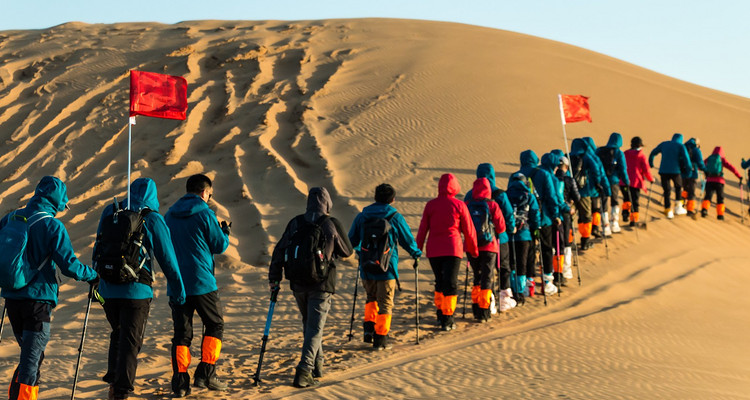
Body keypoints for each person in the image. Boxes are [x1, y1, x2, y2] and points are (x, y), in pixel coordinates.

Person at [0, 176, 99, 400]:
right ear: (57, 201)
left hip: (12, 299)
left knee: (31, 357)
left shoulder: (11, 218)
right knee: (30, 365)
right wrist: (92, 275)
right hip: (38, 302)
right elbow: (69, 266)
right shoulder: (52, 225)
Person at [96, 178, 186, 400]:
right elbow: (168, 260)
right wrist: (179, 290)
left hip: (108, 289)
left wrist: (98, 280)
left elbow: (98, 246)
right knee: (130, 341)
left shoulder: (111, 211)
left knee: (117, 333)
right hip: (137, 291)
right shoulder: (152, 218)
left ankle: (114, 383)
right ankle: (121, 392)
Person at [269, 187, 353, 388]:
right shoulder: (330, 224)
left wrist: (274, 279)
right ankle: (304, 370)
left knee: (310, 325)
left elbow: (279, 250)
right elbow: (347, 251)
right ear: (328, 204)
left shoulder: (296, 222)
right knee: (315, 328)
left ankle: (318, 365)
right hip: (322, 284)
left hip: (298, 283)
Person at [164, 174, 230, 397]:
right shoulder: (205, 213)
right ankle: (206, 372)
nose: (209, 198)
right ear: (204, 192)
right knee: (215, 325)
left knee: (182, 334)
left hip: (177, 284)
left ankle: (181, 384)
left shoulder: (169, 215)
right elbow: (219, 245)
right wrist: (225, 233)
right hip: (202, 282)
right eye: (210, 194)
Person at [348, 183, 421, 349]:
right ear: (392, 199)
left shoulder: (362, 216)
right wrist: (416, 254)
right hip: (387, 268)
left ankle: (368, 331)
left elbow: (351, 240)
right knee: (386, 304)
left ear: (375, 197)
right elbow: (407, 240)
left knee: (371, 298)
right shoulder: (395, 217)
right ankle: (380, 339)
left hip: (366, 266)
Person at [416, 173, 478, 331]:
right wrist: (473, 249)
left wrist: (417, 249)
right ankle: (447, 317)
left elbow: (423, 229)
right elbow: (469, 230)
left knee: (440, 281)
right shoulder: (459, 205)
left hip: (434, 250)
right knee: (450, 283)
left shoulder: (431, 205)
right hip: (452, 248)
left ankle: (440, 312)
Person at [464, 163, 517, 311]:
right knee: (503, 268)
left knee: (481, 273)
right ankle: (504, 300)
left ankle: (488, 301)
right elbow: (507, 214)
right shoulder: (499, 193)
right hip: (499, 239)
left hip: (475, 242)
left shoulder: (470, 195)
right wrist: (510, 229)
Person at [516, 150, 562, 295]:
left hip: (523, 221)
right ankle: (547, 283)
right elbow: (551, 196)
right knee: (546, 249)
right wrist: (556, 215)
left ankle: (528, 285)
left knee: (528, 251)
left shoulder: (516, 176)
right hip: (544, 218)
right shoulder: (544, 174)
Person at [464, 177, 506, 322]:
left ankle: (475, 308)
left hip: (471, 246)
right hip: (489, 245)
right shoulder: (492, 205)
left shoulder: (467, 204)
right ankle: (484, 310)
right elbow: (501, 227)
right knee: (487, 277)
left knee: (476, 275)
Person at [506, 173, 541, 300]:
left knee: (511, 263)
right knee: (522, 263)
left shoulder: (505, 195)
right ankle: (520, 292)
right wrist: (536, 227)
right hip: (524, 235)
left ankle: (512, 289)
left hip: (509, 236)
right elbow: (535, 214)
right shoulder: (529, 196)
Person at [569, 138, 606, 250]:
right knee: (586, 217)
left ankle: (568, 241)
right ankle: (585, 241)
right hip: (584, 191)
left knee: (569, 217)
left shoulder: (567, 156)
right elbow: (596, 170)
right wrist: (598, 184)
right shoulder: (587, 157)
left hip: (569, 192)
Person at [553, 151, 581, 281]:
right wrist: (572, 205)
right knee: (567, 242)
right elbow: (577, 197)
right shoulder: (569, 180)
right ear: (566, 166)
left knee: (555, 243)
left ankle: (555, 271)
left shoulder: (551, 179)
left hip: (553, 215)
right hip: (566, 214)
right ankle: (565, 271)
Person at [648, 133, 691, 219]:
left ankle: (668, 210)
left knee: (667, 190)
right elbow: (686, 159)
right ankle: (678, 207)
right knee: (678, 187)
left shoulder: (664, 144)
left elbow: (653, 152)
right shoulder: (681, 146)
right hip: (675, 171)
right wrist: (688, 171)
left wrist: (651, 163)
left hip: (663, 171)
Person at [596, 132, 630, 233]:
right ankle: (614, 223)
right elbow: (623, 169)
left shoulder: (599, 151)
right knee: (615, 201)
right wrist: (626, 181)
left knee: (603, 201)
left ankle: (605, 226)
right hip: (614, 180)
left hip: (602, 180)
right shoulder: (619, 153)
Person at [701, 146, 742, 220]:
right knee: (720, 198)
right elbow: (732, 168)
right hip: (719, 182)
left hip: (709, 180)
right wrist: (739, 176)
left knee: (708, 196)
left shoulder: (709, 158)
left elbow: (701, 165)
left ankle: (704, 210)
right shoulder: (722, 159)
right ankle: (720, 215)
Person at [622, 136, 655, 227]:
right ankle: (633, 220)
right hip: (635, 182)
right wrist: (651, 179)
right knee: (635, 201)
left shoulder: (625, 153)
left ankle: (625, 213)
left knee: (626, 198)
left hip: (624, 181)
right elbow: (646, 170)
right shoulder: (641, 156)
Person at [583, 137, 612, 237]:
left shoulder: (577, 157)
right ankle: (595, 228)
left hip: (581, 191)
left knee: (584, 214)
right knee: (596, 209)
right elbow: (601, 174)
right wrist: (607, 189)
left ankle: (585, 235)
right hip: (593, 189)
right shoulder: (595, 158)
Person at [682, 138, 705, 217]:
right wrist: (705, 170)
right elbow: (700, 162)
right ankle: (689, 210)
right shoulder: (696, 150)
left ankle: (681, 206)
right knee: (692, 192)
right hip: (693, 173)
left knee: (684, 190)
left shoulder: (684, 148)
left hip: (683, 172)